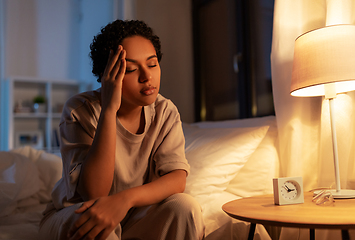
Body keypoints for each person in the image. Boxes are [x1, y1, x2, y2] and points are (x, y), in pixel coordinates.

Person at [38, 19, 205, 240]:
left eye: (152, 64)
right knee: (93, 221)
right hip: (75, 212)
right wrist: (109, 110)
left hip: (132, 214)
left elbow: (177, 179)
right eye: (132, 69)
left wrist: (125, 200)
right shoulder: (80, 110)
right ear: (106, 76)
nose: (147, 77)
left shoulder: (165, 111)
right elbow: (94, 193)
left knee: (184, 207)